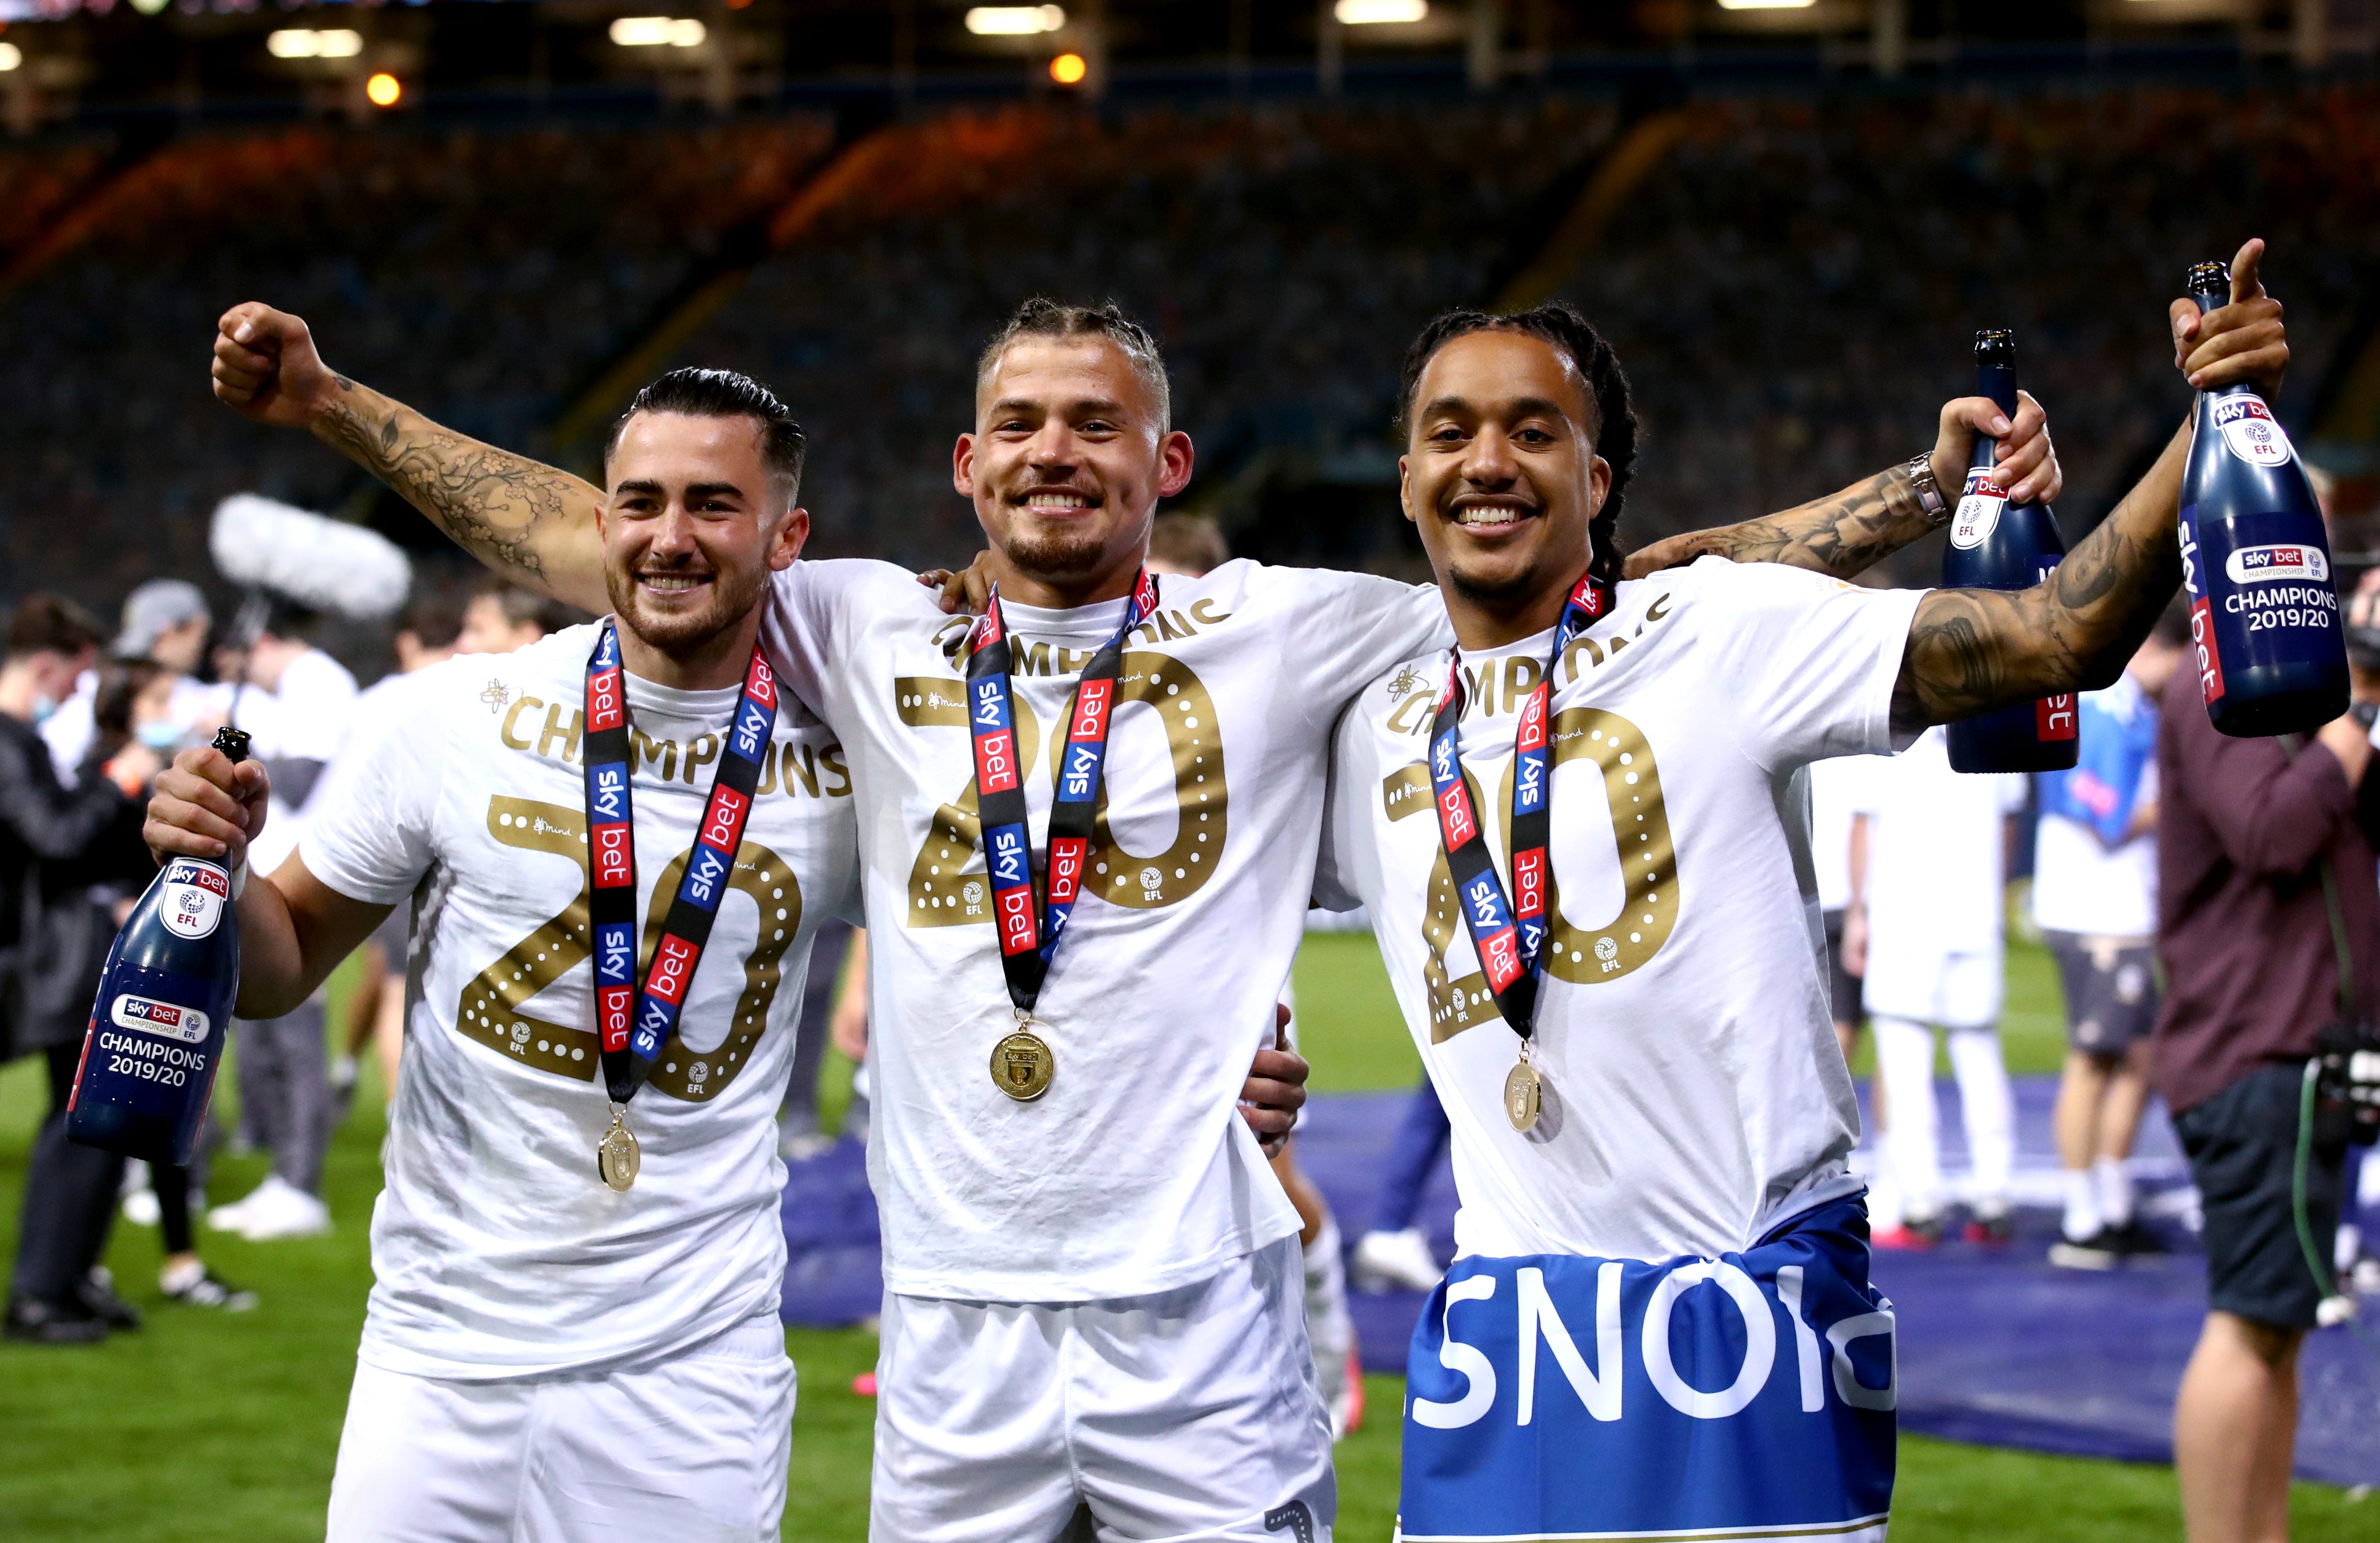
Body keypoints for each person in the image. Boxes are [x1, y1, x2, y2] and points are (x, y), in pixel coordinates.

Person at [206, 290, 2047, 1541]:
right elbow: (605, 539)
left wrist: (1910, 494)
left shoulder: (1294, 617)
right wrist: (326, 403)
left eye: (1095, 424)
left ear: (1162, 464)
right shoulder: (857, 616)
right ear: (963, 462)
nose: (1052, 451)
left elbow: (1623, 590)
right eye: (1016, 423)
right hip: (953, 1321)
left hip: (1209, 1315)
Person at [1313, 244, 2283, 1540]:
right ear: (1405, 483)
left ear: (1590, 481)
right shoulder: (1363, 704)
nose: (1486, 459)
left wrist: (2207, 413)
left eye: (1530, 430)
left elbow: (2059, 632)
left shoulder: (1715, 632)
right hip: (1511, 1315)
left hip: (1748, 1286)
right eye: (1451, 431)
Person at [2155, 454, 2369, 1539]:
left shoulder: (2299, 684)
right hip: (2253, 1048)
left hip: (2291, 1048)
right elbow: (2268, 834)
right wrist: (2348, 738)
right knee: (2249, 1320)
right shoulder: (2221, 681)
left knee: (2276, 1322)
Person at [1142, 506, 1366, 1440]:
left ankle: (1324, 1342)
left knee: (1269, 1185)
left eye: (1167, 598)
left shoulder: (1253, 690)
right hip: (1097, 989)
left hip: (1233, 984)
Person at [1, 596, 161, 1344]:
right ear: (45, 665)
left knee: (100, 1121)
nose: (74, 690)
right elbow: (59, 836)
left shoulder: (29, 744)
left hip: (72, 951)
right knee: (79, 1122)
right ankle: (40, 1291)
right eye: (74, 676)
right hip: (52, 957)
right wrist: (120, 778)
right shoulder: (11, 742)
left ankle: (68, 1279)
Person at [2037, 614, 2187, 1267]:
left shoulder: (2123, 707)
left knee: (2137, 1055)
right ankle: (2081, 1214)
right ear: (2153, 648)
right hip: (2095, 909)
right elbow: (2110, 817)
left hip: (2118, 907)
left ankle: (2112, 1198)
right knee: (2095, 1054)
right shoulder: (2105, 706)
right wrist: (2187, 801)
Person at [208, 597, 359, 1241]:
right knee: (262, 1037)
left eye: (242, 660)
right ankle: (280, 1177)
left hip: (308, 882)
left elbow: (296, 781)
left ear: (264, 642)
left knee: (298, 1045)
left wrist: (235, 734)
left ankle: (303, 1186)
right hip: (265, 879)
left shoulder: (318, 679)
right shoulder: (285, 691)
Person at [1846, 727, 2025, 1247]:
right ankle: (1994, 1196)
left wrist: (1859, 911)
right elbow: (2007, 831)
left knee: (1905, 1061)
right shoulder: (1993, 734)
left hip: (1905, 917)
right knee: (1978, 1052)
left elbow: (1863, 829)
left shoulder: (1885, 736)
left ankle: (1921, 1200)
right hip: (1973, 914)